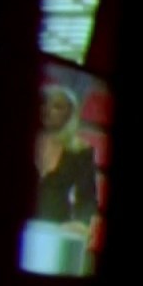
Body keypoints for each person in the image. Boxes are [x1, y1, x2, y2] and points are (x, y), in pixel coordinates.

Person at [35, 84, 99, 237]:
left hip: (55, 229)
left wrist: (81, 223)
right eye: (44, 104)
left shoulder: (80, 151)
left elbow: (87, 197)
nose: (48, 110)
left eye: (57, 107)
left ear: (70, 114)